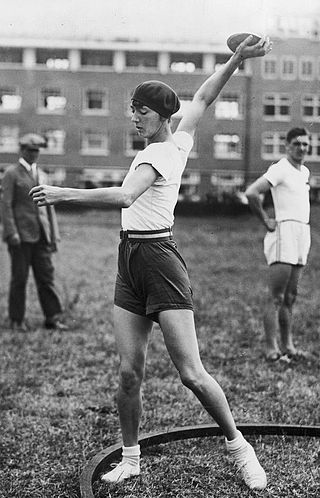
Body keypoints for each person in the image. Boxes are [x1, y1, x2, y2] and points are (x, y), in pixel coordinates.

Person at [30, 35, 272, 490]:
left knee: (191, 374)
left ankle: (240, 447)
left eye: (142, 111)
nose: (135, 117)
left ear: (161, 116)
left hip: (160, 260)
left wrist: (63, 193)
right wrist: (236, 58)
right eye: (134, 110)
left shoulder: (160, 154)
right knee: (128, 373)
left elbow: (125, 195)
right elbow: (203, 96)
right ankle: (131, 456)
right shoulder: (178, 138)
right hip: (130, 260)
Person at [245, 127, 311, 362]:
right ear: (287, 146)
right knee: (276, 296)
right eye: (297, 143)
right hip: (283, 232)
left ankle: (288, 345)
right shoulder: (280, 168)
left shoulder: (304, 172)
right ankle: (271, 347)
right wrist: (266, 220)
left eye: (305, 143)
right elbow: (252, 192)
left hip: (302, 232)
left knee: (291, 296)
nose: (302, 148)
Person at [1, 133, 67, 331]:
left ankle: (52, 317)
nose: (35, 154)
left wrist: (53, 235)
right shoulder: (11, 173)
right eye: (31, 150)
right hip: (20, 237)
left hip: (41, 236)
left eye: (37, 150)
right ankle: (16, 319)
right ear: (22, 150)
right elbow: (5, 205)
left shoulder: (42, 174)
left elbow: (49, 207)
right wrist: (11, 232)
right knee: (19, 279)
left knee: (46, 277)